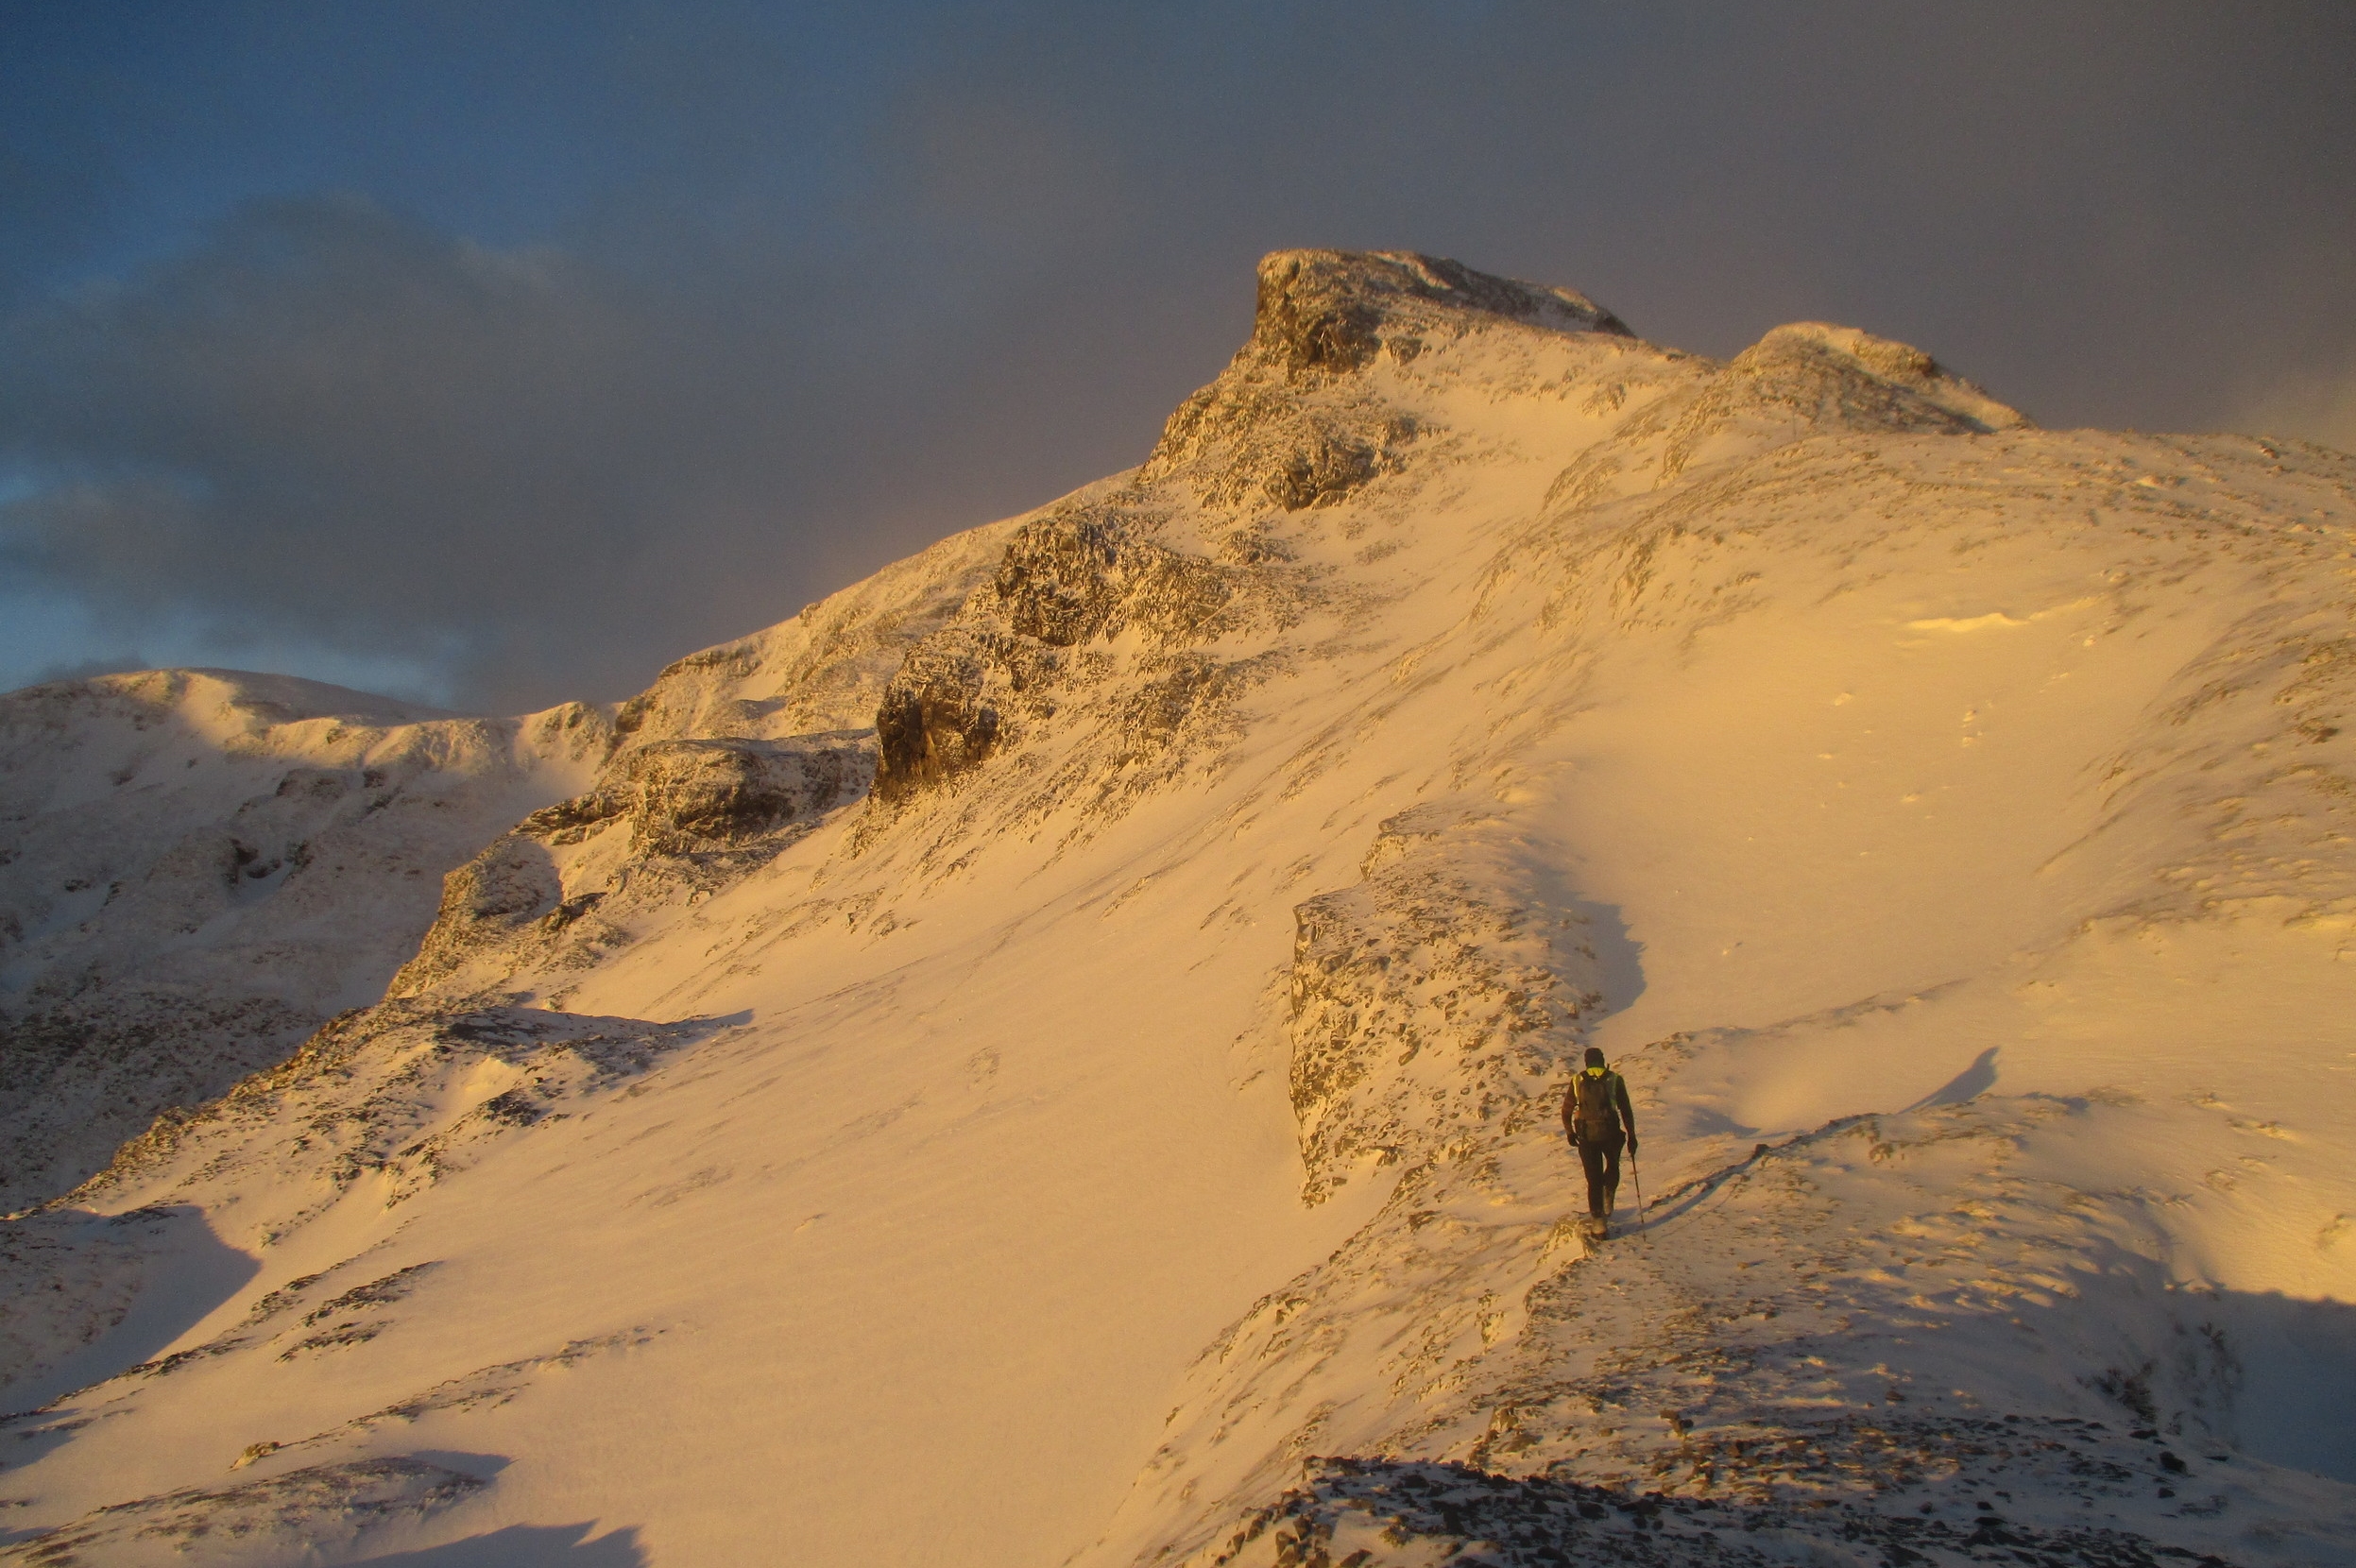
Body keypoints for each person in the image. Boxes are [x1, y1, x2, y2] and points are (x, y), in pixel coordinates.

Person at [1562, 1046, 1637, 1230]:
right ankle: (1609, 1192)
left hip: (1586, 1135)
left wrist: (1570, 1132)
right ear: (1602, 1060)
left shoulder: (1577, 1080)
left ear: (1587, 1062)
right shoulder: (1615, 1079)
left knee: (1593, 1178)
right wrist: (1632, 1136)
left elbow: (1566, 1111)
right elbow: (1626, 1110)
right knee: (1613, 1166)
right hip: (1611, 1133)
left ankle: (1598, 1223)